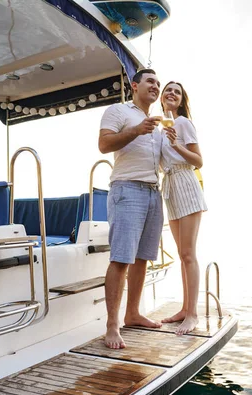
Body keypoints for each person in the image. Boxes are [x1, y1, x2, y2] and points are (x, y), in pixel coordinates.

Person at [98, 69, 164, 349]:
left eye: (158, 83)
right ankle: (112, 326)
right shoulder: (119, 111)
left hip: (153, 192)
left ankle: (133, 314)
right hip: (127, 189)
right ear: (134, 85)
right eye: (151, 81)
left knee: (142, 259)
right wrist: (136, 130)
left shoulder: (158, 125)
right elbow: (103, 144)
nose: (156, 86)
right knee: (122, 258)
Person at [159, 81, 208, 335]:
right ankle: (183, 308)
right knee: (181, 254)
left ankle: (193, 314)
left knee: (189, 254)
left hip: (186, 184)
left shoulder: (183, 124)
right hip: (170, 187)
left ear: (181, 100)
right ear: (162, 97)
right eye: (168, 90)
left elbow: (198, 161)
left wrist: (177, 145)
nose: (171, 93)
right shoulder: (159, 127)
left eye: (177, 92)